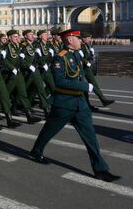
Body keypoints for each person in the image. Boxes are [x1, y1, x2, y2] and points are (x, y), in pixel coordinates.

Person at [29, 29, 120, 183]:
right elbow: (60, 81)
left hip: (80, 104)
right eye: (78, 38)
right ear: (70, 40)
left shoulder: (77, 54)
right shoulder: (60, 58)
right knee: (49, 130)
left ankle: (101, 169)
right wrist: (84, 86)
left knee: (91, 137)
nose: (80, 41)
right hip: (64, 103)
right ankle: (36, 151)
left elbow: (79, 73)